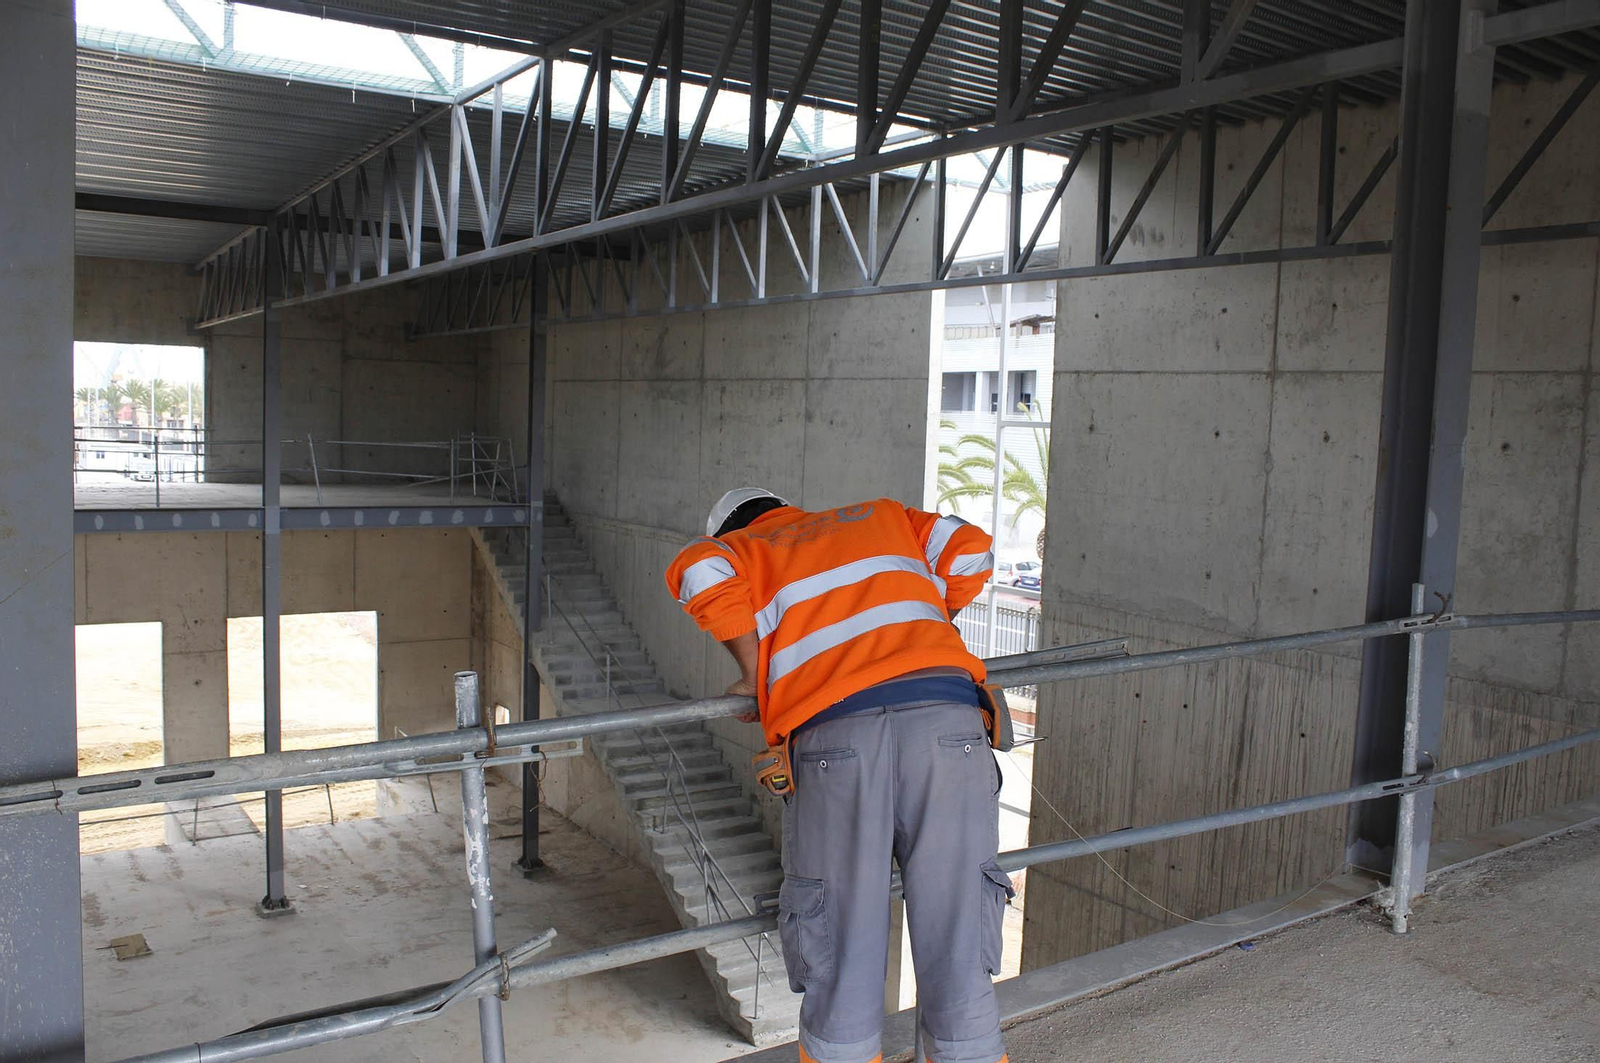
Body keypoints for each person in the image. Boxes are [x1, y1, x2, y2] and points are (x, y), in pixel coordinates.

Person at [665, 487, 1012, 1063]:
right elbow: (971, 550)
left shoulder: (745, 548)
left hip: (839, 739)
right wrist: (918, 632)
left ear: (728, 528)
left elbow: (697, 571)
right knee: (959, 926)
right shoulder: (883, 516)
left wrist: (758, 675)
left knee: (841, 937)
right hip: (950, 724)